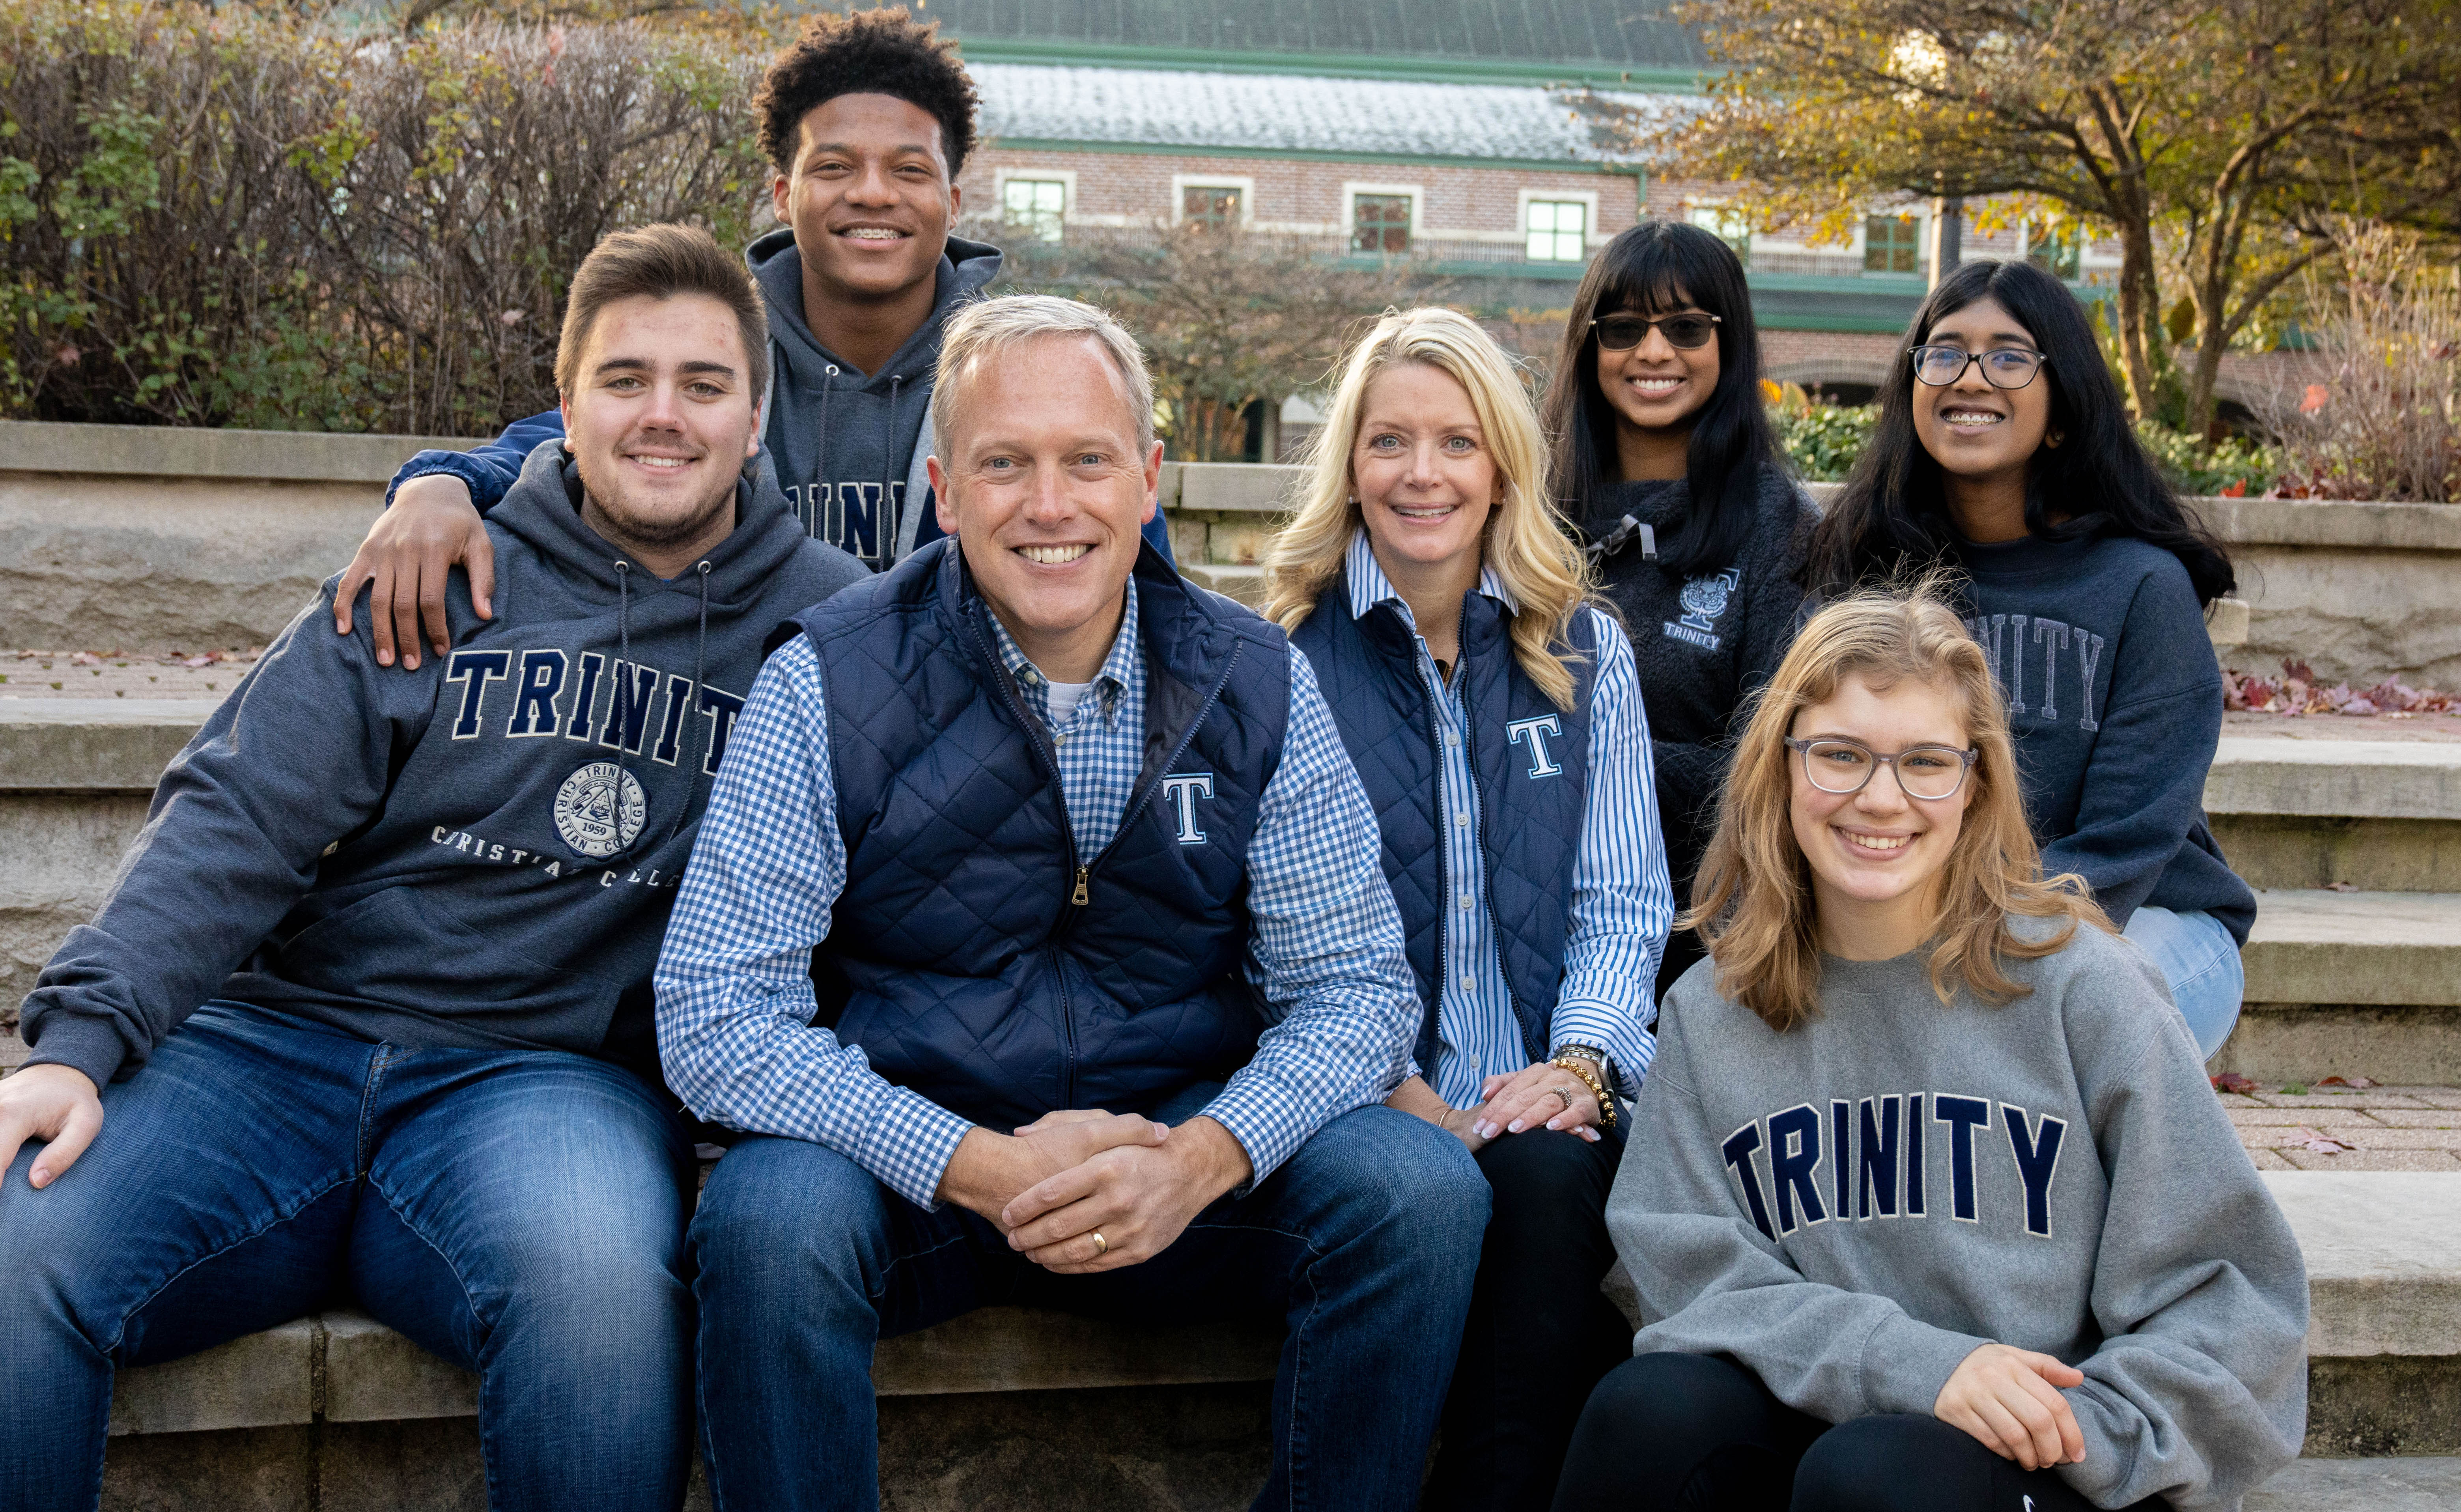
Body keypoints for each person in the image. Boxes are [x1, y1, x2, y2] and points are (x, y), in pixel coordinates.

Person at [0, 224, 866, 1512]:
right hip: (272, 1050)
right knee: (20, 1242)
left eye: (704, 383)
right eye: (625, 380)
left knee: (604, 1303)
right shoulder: (440, 569)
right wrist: (75, 1043)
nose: (663, 415)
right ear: (564, 406)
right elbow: (238, 810)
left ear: (758, 415)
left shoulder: (834, 626)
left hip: (547, 1084)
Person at [654, 293, 1488, 1510]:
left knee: (1420, 1193)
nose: (1051, 505)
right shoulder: (824, 678)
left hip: (1173, 1141)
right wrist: (972, 1162)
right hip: (914, 1158)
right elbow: (717, 1010)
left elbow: (1356, 990)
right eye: (1007, 464)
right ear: (944, 489)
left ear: (1147, 478)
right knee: (769, 1223)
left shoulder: (1256, 680)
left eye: (1088, 460)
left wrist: (1205, 1157)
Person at [1552, 584, 2308, 1512]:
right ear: (1780, 768)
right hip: (1843, 1416)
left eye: (1924, 762)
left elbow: (2233, 1293)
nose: (1881, 797)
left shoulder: (2085, 989)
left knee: (1877, 1477)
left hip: (2044, 1454)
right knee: (1650, 1413)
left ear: (1977, 782)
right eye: (1839, 755)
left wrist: (2086, 1430)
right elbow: (1696, 1278)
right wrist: (1917, 1365)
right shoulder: (1714, 1013)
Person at [332, 6, 1172, 672]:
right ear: (783, 193)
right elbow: (589, 434)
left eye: (910, 170)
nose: (873, 195)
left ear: (953, 203)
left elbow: (1137, 562)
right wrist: (437, 486)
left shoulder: (1018, 373)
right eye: (835, 167)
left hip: (956, 734)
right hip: (740, 713)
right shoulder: (722, 348)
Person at [1261, 307, 1673, 1511]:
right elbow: (1255, 931)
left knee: (1548, 1182)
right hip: (1362, 1094)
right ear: (1349, 463)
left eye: (1456, 441)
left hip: (1543, 1095)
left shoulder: (1588, 651)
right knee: (1454, 1198)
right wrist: (1382, 1083)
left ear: (1502, 464)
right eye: (1390, 441)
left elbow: (1621, 903)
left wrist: (1584, 1065)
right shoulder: (1274, 657)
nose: (1422, 473)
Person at [1804, 259, 2252, 1057]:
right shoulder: (1864, 575)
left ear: (2061, 409)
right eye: (1943, 354)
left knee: (2030, 1022)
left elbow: (2126, 839)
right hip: (1909, 918)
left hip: (2141, 920)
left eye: (2010, 357)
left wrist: (1965, 939)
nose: (1970, 378)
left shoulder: (2142, 586)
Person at [1538, 219, 1814, 1003]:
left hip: (1703, 942)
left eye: (1687, 327)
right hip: (1521, 926)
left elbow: (1776, 762)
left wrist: (1593, 761)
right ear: (1589, 348)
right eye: (1623, 328)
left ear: (1730, 345)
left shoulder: (1779, 528)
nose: (1653, 353)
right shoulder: (1521, 511)